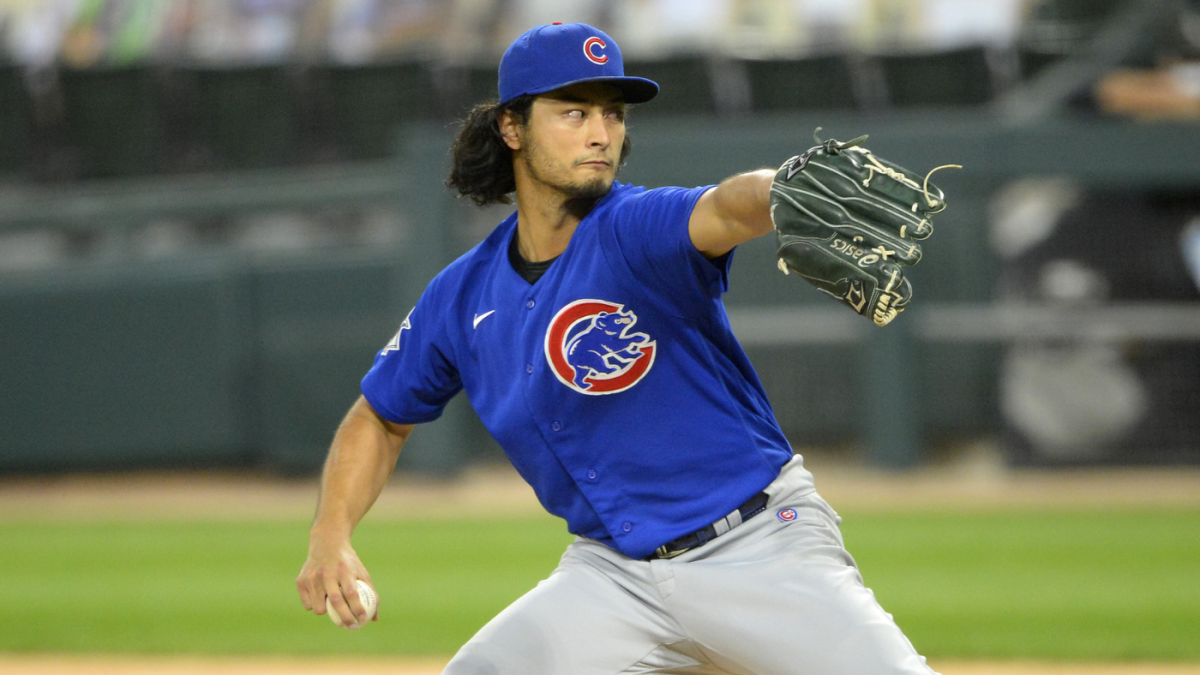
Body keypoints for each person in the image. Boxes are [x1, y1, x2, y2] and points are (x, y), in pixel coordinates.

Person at [296, 22, 938, 675]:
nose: (601, 132)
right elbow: (380, 415)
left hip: (759, 549)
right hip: (612, 578)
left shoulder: (634, 228)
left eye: (612, 113)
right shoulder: (460, 296)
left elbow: (724, 208)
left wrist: (780, 191)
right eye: (573, 112)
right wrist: (330, 534)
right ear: (512, 129)